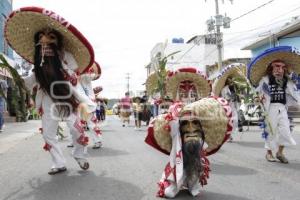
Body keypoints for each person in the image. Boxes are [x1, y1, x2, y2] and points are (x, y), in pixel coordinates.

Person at [5, 7, 96, 174]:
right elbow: (31, 80)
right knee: (48, 134)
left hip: (67, 97)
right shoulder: (38, 63)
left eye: (50, 37)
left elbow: (74, 75)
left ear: (57, 41)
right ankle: (59, 162)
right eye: (41, 37)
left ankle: (79, 155)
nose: (45, 40)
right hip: (47, 98)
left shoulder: (66, 56)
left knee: (77, 129)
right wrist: (17, 79)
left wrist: (59, 64)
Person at [145, 97, 233, 198]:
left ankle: (192, 184)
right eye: (185, 123)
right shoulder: (176, 134)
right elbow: (172, 119)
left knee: (195, 182)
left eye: (195, 122)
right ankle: (178, 183)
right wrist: (178, 109)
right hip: (177, 167)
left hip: (194, 165)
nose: (191, 127)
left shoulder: (200, 135)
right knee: (169, 193)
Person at [248, 46, 300, 164]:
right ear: (271, 67)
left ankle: (280, 152)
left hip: (283, 108)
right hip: (270, 108)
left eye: (282, 67)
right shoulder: (265, 80)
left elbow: (297, 87)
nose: (279, 69)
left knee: (285, 130)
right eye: (277, 66)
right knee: (270, 131)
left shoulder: (288, 80)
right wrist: (257, 98)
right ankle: (269, 153)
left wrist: (292, 75)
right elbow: (256, 92)